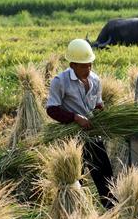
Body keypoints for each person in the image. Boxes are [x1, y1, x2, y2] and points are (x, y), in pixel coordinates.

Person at [45, 38, 114, 208]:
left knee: (105, 173)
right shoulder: (60, 82)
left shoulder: (95, 80)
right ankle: (76, 211)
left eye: (90, 64)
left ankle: (112, 209)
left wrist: (101, 114)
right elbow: (52, 109)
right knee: (76, 176)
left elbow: (98, 104)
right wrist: (75, 117)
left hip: (92, 134)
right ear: (72, 65)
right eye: (84, 66)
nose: (88, 69)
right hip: (72, 139)